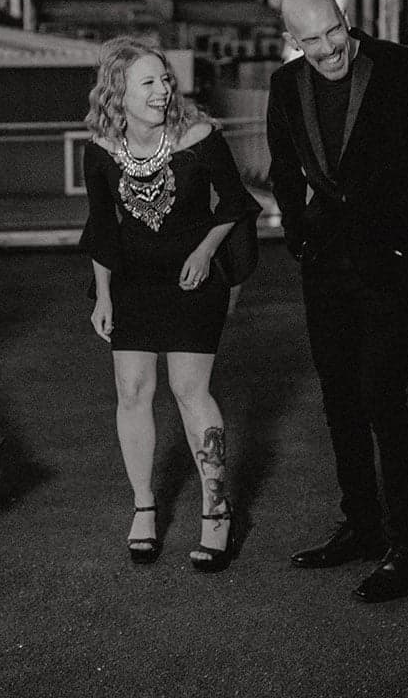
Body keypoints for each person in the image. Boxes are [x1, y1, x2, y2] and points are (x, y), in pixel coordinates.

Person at [266, 0, 408, 603]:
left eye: (333, 33)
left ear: (348, 20)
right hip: (324, 265)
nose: (327, 50)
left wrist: (406, 239)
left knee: (382, 396)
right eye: (311, 41)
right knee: (338, 396)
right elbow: (283, 169)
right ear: (294, 41)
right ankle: (363, 525)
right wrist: (297, 234)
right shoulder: (285, 86)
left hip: (388, 262)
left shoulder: (402, 69)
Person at [81, 38, 260, 573]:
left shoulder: (198, 137)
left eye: (165, 80)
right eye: (149, 82)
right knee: (132, 391)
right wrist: (104, 295)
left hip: (190, 280)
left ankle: (216, 511)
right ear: (119, 92)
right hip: (133, 282)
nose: (163, 91)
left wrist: (206, 252)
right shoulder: (100, 148)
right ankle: (144, 508)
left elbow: (234, 203)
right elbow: (102, 226)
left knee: (189, 390)